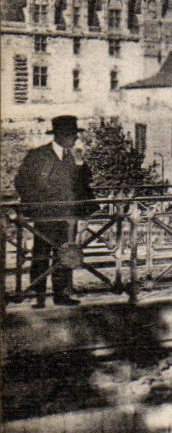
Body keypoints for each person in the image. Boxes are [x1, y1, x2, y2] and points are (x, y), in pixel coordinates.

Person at [12, 115, 95, 307]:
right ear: (61, 135)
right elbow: (21, 182)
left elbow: (85, 184)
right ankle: (38, 295)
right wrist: (36, 204)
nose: (76, 138)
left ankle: (62, 295)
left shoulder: (75, 157)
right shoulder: (38, 155)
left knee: (66, 253)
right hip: (45, 215)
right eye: (73, 135)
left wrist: (81, 166)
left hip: (68, 216)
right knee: (41, 255)